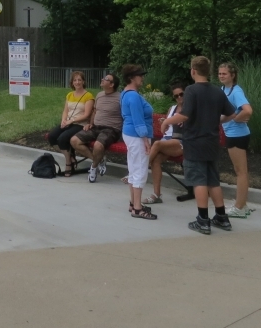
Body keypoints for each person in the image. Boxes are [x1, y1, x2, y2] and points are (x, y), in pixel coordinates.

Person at [164, 56, 235, 235]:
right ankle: (221, 217)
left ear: (193, 71)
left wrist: (167, 122)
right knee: (213, 180)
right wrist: (217, 121)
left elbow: (185, 115)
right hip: (212, 142)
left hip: (194, 142)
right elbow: (232, 113)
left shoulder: (191, 90)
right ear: (209, 71)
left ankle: (203, 220)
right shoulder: (218, 91)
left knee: (199, 180)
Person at [70, 73, 122, 183]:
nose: (102, 79)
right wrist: (90, 123)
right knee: (74, 140)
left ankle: (93, 167)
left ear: (112, 84)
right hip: (96, 127)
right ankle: (98, 160)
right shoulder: (99, 95)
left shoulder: (120, 97)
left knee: (98, 145)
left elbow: (126, 115)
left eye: (106, 79)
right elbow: (95, 111)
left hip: (111, 129)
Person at [121, 64, 157, 219]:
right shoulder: (134, 96)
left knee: (134, 169)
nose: (142, 77)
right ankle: (137, 208)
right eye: (139, 75)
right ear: (131, 78)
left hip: (130, 134)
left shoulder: (126, 93)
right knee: (140, 170)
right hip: (137, 136)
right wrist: (145, 139)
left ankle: (133, 203)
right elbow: (138, 119)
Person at [219, 62, 253, 217]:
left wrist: (237, 119)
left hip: (237, 135)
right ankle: (243, 205)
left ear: (232, 75)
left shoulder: (236, 91)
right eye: (219, 73)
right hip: (231, 134)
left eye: (224, 73)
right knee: (240, 171)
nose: (221, 76)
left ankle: (239, 207)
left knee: (240, 172)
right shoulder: (223, 90)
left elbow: (248, 111)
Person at [46, 71, 94, 177]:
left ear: (83, 81)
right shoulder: (69, 95)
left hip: (80, 124)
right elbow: (65, 111)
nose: (77, 82)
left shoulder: (88, 96)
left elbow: (86, 115)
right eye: (75, 80)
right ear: (72, 82)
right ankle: (71, 157)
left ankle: (68, 163)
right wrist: (64, 120)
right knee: (52, 136)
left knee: (62, 139)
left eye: (79, 80)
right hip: (68, 122)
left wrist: (71, 121)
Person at [144, 83, 186, 205]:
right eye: (176, 96)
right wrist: (165, 122)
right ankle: (156, 194)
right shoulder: (172, 109)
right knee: (156, 159)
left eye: (181, 94)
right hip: (167, 140)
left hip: (181, 142)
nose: (179, 97)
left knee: (156, 144)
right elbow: (165, 128)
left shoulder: (190, 109)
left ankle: (140, 170)